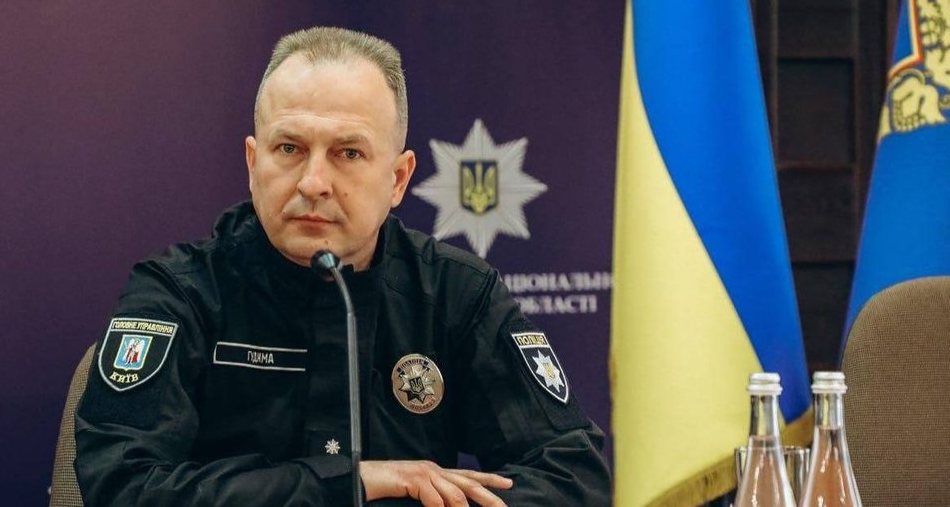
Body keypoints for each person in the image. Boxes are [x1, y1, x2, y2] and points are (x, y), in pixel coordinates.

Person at [74, 26, 612, 506]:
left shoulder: (457, 294)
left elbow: (572, 477)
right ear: (253, 163)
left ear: (398, 179)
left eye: (348, 153)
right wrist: (347, 486)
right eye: (290, 148)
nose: (313, 182)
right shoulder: (178, 293)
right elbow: (121, 485)